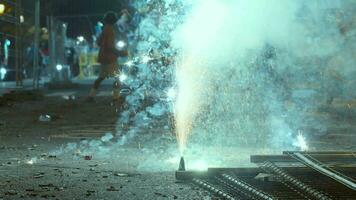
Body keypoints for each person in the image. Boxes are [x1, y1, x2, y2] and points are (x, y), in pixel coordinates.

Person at [88, 11, 128, 103]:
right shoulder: (110, 30)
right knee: (117, 78)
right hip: (110, 59)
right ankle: (116, 98)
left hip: (103, 58)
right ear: (114, 20)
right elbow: (110, 46)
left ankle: (91, 96)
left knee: (101, 78)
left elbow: (98, 42)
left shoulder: (104, 29)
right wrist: (120, 53)